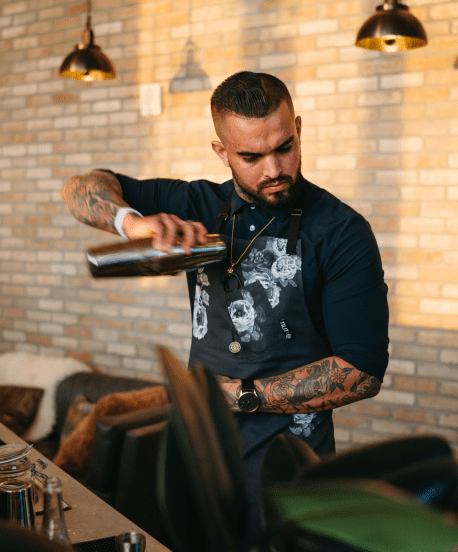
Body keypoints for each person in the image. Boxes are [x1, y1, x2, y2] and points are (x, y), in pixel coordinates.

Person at [61, 71, 389, 541]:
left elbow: (361, 370)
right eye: (251, 157)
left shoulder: (340, 231)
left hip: (290, 467)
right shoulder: (197, 203)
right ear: (222, 152)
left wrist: (240, 396)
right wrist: (132, 224)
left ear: (297, 127)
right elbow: (79, 188)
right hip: (197, 455)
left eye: (285, 147)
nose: (273, 169)